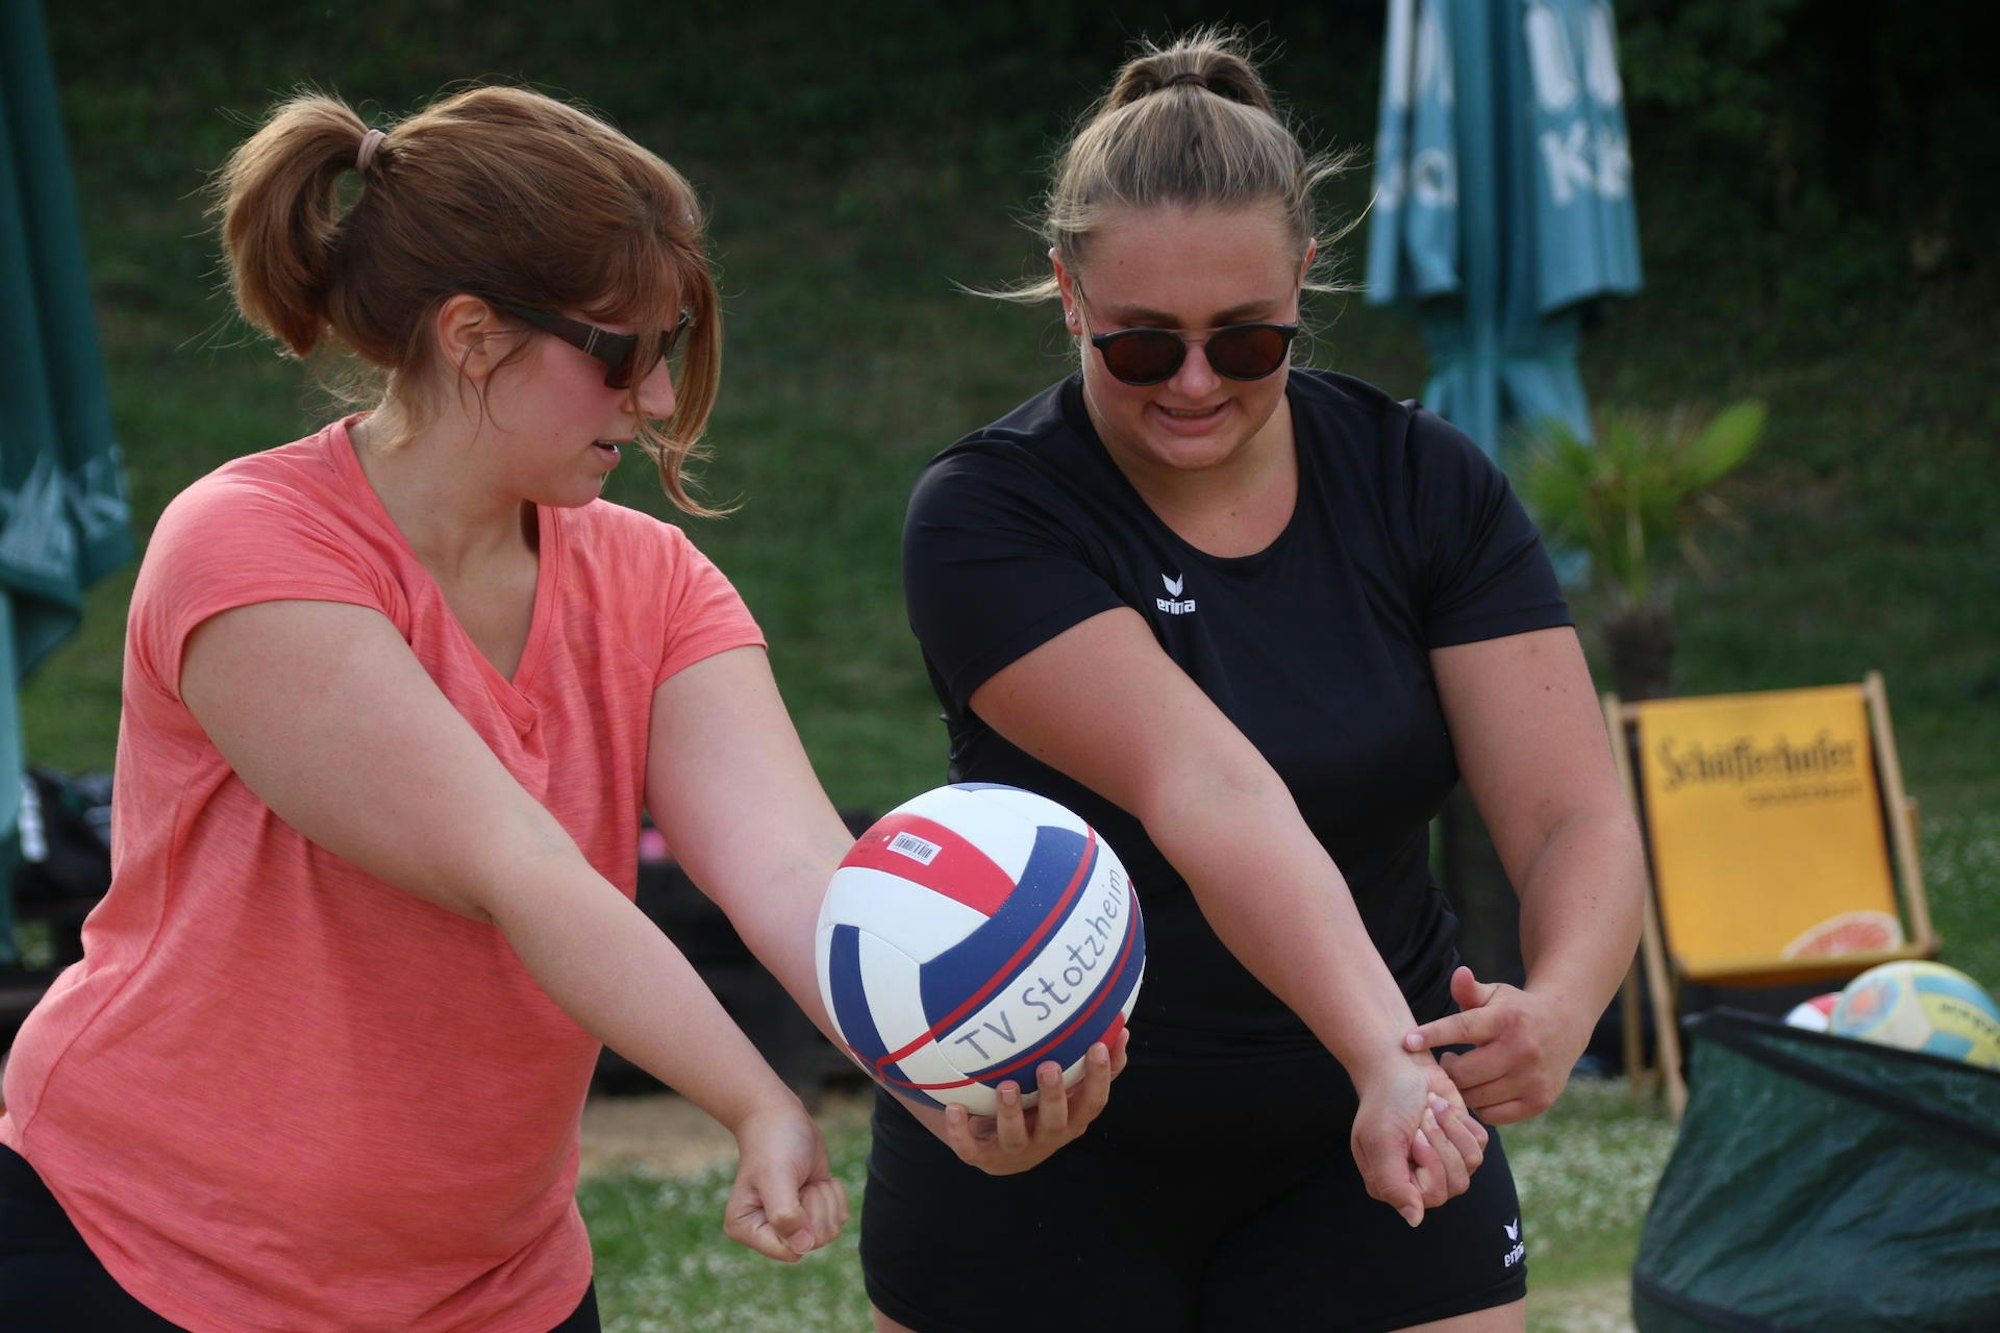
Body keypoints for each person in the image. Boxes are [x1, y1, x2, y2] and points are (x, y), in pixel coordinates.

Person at [0, 84, 880, 1332]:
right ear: (471, 334)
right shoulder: (247, 545)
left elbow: (797, 872)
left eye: (670, 347)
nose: (654, 399)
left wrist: (945, 1053)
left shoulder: (655, 580)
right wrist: (755, 1097)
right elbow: (520, 870)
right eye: (623, 353)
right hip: (142, 1253)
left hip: (493, 1283)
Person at [873, 29, 1647, 1333]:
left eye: (1244, 343)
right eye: (1140, 346)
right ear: (1067, 293)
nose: (1193, 383)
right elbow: (1210, 787)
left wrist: (1561, 1005)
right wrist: (1382, 1054)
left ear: (1301, 279)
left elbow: (1576, 814)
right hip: (1044, 1128)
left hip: (1376, 1114)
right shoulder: (986, 515)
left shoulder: (1421, 481)